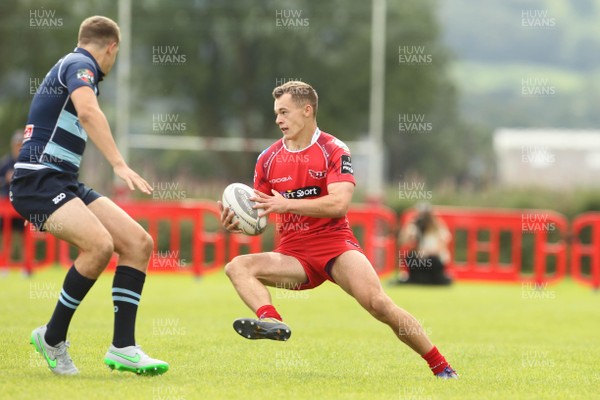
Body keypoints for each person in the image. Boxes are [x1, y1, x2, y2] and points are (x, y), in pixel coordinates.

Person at [218, 81, 458, 379]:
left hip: (335, 247)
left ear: (307, 111)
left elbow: (338, 204)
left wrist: (286, 205)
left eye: (284, 112)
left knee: (378, 304)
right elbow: (261, 214)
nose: (278, 119)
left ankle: (442, 367)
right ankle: (271, 321)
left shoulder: (333, 149)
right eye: (276, 113)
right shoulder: (267, 159)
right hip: (293, 255)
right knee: (237, 266)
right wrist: (237, 224)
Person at [10, 16, 168, 376]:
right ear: (111, 47)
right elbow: (88, 112)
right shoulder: (81, 64)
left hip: (63, 181)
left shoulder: (74, 67)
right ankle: (52, 337)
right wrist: (119, 164)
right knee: (99, 245)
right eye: (116, 53)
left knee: (137, 242)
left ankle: (124, 347)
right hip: (37, 182)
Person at [396, 203, 453, 285]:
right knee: (411, 257)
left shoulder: (438, 228)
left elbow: (441, 246)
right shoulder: (416, 228)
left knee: (433, 260)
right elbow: (402, 242)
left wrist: (426, 252)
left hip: (435, 260)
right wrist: (409, 227)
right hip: (421, 260)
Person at [0, 131, 25, 272]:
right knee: (5, 236)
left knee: (20, 237)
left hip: (20, 204)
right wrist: (5, 180)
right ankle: (4, 265)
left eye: (21, 143)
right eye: (16, 144)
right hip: (5, 205)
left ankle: (24, 267)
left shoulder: (26, 162)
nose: (18, 146)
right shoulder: (5, 162)